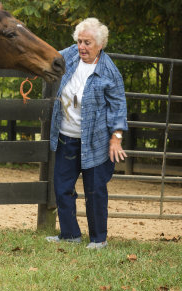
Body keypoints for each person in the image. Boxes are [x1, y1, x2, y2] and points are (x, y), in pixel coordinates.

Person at [46, 17, 127, 250]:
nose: (82, 47)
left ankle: (98, 239)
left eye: (88, 43)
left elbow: (118, 107)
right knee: (62, 187)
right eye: (80, 41)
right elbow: (47, 57)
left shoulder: (109, 71)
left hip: (96, 142)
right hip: (66, 136)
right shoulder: (71, 55)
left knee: (95, 191)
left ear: (100, 45)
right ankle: (70, 234)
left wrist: (116, 138)